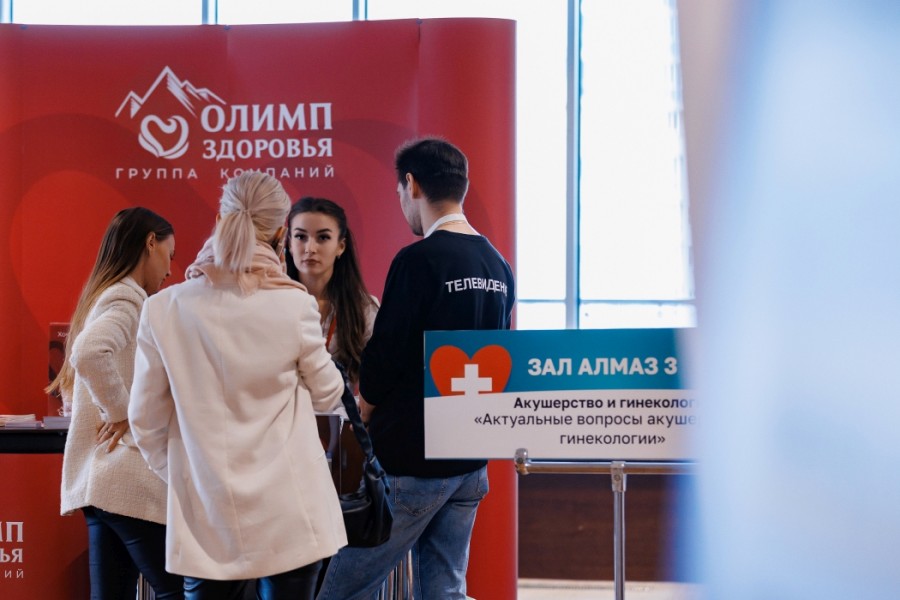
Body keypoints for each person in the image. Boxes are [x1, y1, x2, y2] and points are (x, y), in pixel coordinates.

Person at [128, 171, 347, 600]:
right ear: (281, 234)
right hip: (290, 514)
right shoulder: (294, 305)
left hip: (206, 516)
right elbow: (328, 394)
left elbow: (144, 421)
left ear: (220, 220)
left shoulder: (163, 309)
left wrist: (188, 475)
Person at [317, 137, 516, 600]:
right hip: (470, 463)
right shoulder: (497, 264)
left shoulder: (418, 260)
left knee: (342, 590)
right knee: (444, 591)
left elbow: (386, 355)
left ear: (412, 185)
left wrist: (363, 412)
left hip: (413, 462)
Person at [52, 206, 183, 599]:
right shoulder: (128, 298)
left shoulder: (103, 297)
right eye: (170, 254)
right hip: (129, 478)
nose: (170, 270)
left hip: (101, 484)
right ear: (150, 243)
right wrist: (123, 412)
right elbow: (89, 352)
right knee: (181, 592)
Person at [285, 197, 379, 386]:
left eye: (323, 238)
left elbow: (379, 378)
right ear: (289, 243)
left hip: (342, 405)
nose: (310, 248)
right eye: (301, 237)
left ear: (340, 246)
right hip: (284, 405)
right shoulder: (272, 303)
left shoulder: (363, 308)